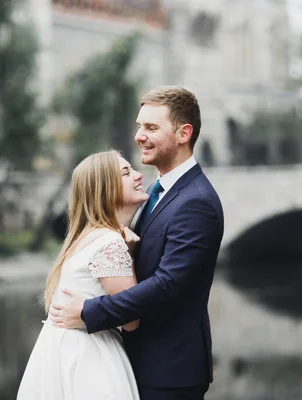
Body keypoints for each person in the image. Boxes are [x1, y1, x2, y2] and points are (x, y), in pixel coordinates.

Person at [50, 86, 225, 400]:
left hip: (169, 371)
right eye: (139, 126)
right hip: (135, 364)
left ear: (184, 133)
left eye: (151, 128)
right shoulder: (155, 193)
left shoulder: (196, 201)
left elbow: (168, 285)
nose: (139, 136)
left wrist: (90, 312)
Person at [17, 150, 149, 400]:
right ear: (105, 187)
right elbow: (132, 320)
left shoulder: (87, 237)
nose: (138, 175)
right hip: (91, 359)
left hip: (62, 354)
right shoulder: (110, 242)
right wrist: (128, 256)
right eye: (126, 172)